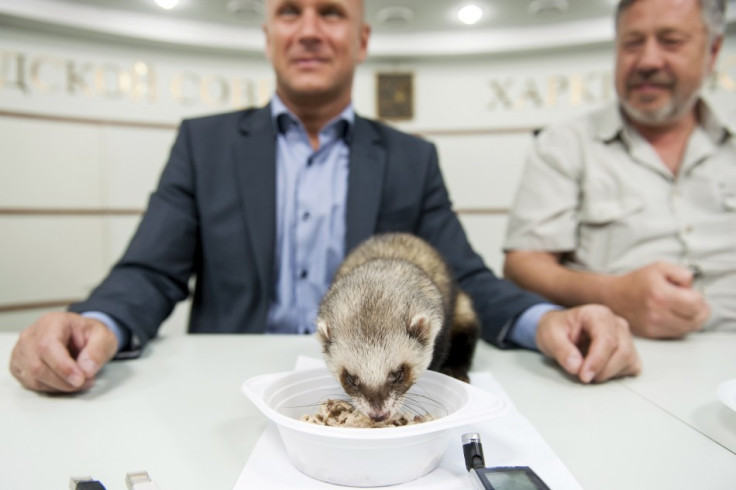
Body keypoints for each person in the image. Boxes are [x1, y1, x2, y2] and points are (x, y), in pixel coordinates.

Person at [9, 0, 640, 394]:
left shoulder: (411, 159)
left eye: (332, 12)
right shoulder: (203, 144)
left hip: (379, 392)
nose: (309, 29)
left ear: (362, 40)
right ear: (269, 36)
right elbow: (149, 271)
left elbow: (464, 276)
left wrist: (545, 321)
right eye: (289, 11)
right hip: (230, 389)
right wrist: (93, 324)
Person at [504, 0, 734, 339]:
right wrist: (613, 294)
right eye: (632, 43)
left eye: (671, 41)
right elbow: (522, 265)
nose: (648, 61)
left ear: (713, 51)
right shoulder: (564, 143)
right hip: (621, 354)